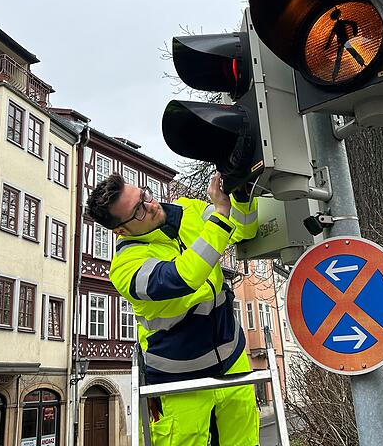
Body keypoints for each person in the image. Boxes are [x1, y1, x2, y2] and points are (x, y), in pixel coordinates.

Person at [86, 171, 259, 446]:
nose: (151, 205)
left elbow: (241, 229)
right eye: (138, 210)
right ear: (120, 230)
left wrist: (240, 195)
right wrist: (220, 214)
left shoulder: (187, 209)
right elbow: (184, 277)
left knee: (246, 442)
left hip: (231, 356)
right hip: (178, 377)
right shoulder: (126, 267)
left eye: (144, 195)